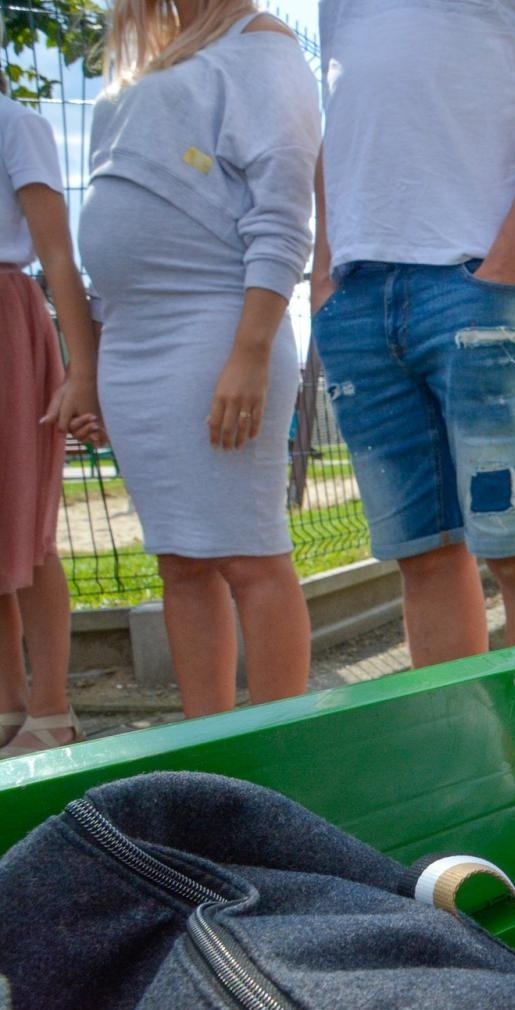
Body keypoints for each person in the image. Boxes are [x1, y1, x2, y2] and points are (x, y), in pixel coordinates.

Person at [311, 0, 515, 668]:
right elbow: (341, 118)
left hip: (490, 283)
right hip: (361, 291)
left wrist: (511, 263)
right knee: (422, 556)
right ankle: (462, 736)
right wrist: (323, 276)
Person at [69, 0, 318, 718]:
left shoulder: (260, 44)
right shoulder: (141, 66)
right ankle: (206, 750)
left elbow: (283, 210)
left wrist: (250, 352)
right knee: (179, 561)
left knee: (249, 555)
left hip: (216, 326)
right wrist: (88, 366)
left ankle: (278, 750)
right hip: (130, 340)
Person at [0, 68, 99, 756]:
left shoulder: (17, 124)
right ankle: (8, 706)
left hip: (7, 322)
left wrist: (80, 367)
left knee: (26, 527)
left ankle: (52, 710)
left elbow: (57, 254)